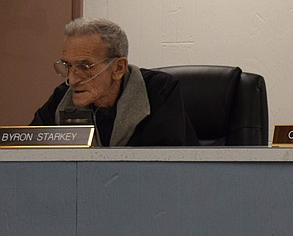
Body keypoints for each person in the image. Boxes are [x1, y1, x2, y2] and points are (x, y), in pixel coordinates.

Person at [31, 18, 198, 146]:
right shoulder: (63, 98)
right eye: (68, 66)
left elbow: (169, 167)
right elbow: (27, 152)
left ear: (118, 68)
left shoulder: (159, 92)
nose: (73, 80)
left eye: (85, 66)